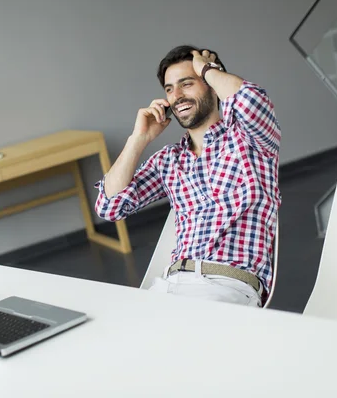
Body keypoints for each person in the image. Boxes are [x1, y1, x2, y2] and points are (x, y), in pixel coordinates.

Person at [94, 45, 281, 307]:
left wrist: (206, 68)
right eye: (169, 89)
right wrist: (139, 138)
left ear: (212, 85)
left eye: (187, 84)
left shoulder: (250, 140)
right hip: (170, 284)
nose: (177, 96)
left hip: (228, 286)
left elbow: (249, 98)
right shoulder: (169, 160)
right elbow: (109, 206)